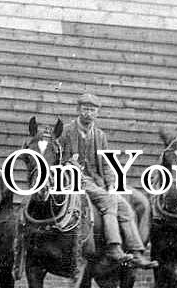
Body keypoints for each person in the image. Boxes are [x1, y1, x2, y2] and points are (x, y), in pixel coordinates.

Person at [58, 92, 156, 268]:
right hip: (73, 180)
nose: (88, 113)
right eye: (85, 109)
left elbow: (105, 164)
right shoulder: (66, 131)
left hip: (97, 182)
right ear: (78, 110)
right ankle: (113, 247)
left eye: (92, 110)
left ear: (97, 113)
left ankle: (136, 252)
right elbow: (58, 159)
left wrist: (111, 183)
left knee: (125, 208)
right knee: (109, 202)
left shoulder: (100, 135)